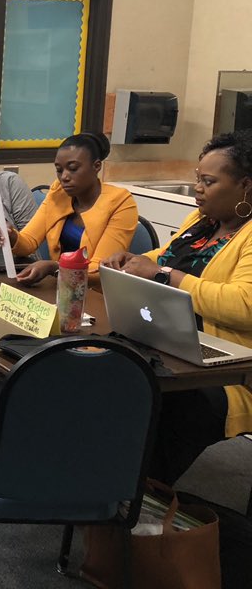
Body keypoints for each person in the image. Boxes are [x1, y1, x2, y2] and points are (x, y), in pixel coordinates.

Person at [102, 131, 252, 484]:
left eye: (209, 181)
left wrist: (165, 276)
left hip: (226, 370)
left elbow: (244, 304)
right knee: (104, 375)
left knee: (160, 407)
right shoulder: (201, 223)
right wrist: (134, 259)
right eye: (198, 179)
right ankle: (105, 484)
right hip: (169, 342)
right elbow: (164, 257)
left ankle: (137, 499)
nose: (198, 188)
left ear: (245, 185)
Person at [0, 132, 137, 285]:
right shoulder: (59, 192)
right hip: (62, 287)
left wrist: (54, 268)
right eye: (59, 170)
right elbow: (29, 242)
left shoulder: (121, 202)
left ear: (96, 166)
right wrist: (10, 236)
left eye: (73, 168)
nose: (64, 177)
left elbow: (101, 269)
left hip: (96, 294)